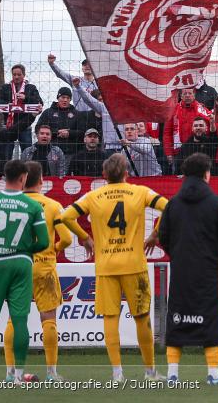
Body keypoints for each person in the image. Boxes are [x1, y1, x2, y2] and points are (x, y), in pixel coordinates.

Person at [60, 154, 168, 383]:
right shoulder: (140, 192)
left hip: (106, 265)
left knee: (110, 317)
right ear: (127, 173)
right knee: (142, 317)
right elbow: (169, 207)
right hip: (134, 264)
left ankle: (117, 373)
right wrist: (155, 234)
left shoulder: (93, 195)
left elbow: (66, 216)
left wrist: (85, 238)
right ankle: (150, 372)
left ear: (104, 175)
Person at [4, 162, 89, 382]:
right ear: (42, 180)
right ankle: (51, 373)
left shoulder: (11, 205)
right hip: (44, 267)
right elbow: (67, 238)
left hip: (18, 267)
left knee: (14, 320)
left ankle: (10, 374)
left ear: (22, 179)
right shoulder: (52, 205)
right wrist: (54, 249)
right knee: (49, 319)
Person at [159, 153, 218, 386]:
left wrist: (178, 255)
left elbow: (163, 236)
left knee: (177, 319)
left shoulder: (173, 203)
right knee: (210, 319)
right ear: (206, 174)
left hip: (181, 270)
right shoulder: (217, 203)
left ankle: (172, 374)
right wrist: (217, 262)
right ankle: (213, 374)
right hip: (209, 271)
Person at [0, 160, 49, 386]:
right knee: (20, 320)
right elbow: (44, 242)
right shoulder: (33, 206)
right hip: (21, 264)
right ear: (24, 177)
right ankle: (18, 375)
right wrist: (24, 250)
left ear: (4, 176)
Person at [0, 63, 43, 149]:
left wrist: (26, 98)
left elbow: (39, 102)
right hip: (8, 125)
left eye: (19, 74)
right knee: (6, 153)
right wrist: (7, 105)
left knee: (27, 152)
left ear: (24, 75)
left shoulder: (31, 88)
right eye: (14, 74)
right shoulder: (5, 87)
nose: (16, 77)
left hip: (25, 125)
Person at [163, 87, 211, 165]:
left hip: (198, 151)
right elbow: (167, 133)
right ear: (181, 96)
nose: (187, 95)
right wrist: (169, 153)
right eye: (185, 93)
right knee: (178, 172)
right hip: (178, 152)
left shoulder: (201, 109)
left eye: (190, 93)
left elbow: (209, 128)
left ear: (194, 95)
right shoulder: (173, 110)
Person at [35, 87, 80, 156]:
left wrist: (69, 133)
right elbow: (38, 128)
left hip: (72, 152)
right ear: (58, 98)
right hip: (50, 152)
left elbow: (81, 131)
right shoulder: (48, 112)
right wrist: (56, 132)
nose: (65, 100)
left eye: (68, 98)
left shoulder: (76, 113)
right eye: (63, 97)